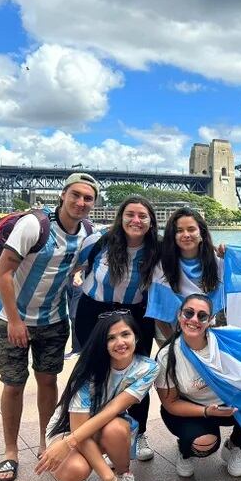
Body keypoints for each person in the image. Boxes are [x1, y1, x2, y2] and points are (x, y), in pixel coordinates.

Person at [0, 172, 97, 481]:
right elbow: (2, 271)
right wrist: (14, 319)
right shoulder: (34, 226)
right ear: (62, 195)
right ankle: (10, 452)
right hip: (11, 318)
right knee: (14, 384)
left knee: (48, 381)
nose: (80, 202)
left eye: (88, 198)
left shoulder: (88, 232)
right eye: (75, 195)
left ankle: (44, 443)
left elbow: (81, 265)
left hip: (53, 319)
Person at [35, 312, 159, 481]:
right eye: (111, 338)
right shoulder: (88, 371)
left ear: (136, 336)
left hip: (105, 423)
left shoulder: (147, 368)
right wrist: (107, 480)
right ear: (102, 343)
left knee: (116, 429)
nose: (120, 342)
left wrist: (69, 444)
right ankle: (81, 471)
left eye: (125, 334)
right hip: (69, 428)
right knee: (75, 470)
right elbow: (78, 429)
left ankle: (123, 474)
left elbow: (113, 409)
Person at [75, 196, 159, 461]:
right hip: (94, 313)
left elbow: (192, 256)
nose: (136, 220)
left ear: (150, 222)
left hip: (135, 315)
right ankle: (93, 434)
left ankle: (139, 432)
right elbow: (71, 267)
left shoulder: (158, 249)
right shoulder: (98, 241)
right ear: (121, 217)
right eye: (130, 214)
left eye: (142, 216)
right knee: (95, 373)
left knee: (137, 374)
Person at [156, 294, 241, 478]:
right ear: (179, 315)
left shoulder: (228, 339)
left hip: (229, 404)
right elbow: (171, 404)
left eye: (202, 316)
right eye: (188, 313)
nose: (194, 320)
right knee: (204, 444)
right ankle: (186, 451)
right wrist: (207, 411)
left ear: (210, 320)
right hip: (191, 409)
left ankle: (234, 446)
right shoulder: (167, 356)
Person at [147, 207, 225, 338]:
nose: (186, 235)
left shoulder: (218, 262)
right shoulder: (162, 265)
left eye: (191, 229)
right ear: (173, 236)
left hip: (207, 334)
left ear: (202, 233)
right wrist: (175, 345)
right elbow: (159, 314)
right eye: (179, 231)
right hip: (170, 333)